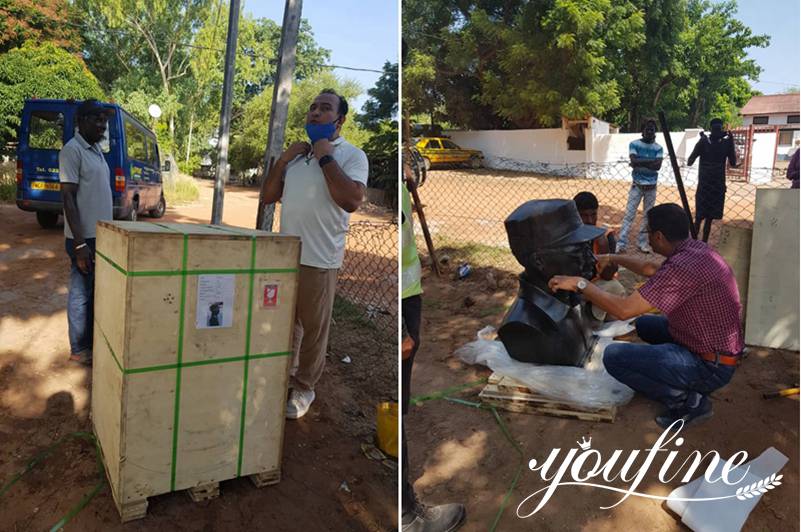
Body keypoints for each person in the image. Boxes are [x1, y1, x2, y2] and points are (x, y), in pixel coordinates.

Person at [548, 203, 742, 429]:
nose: (647, 237)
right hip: (715, 346)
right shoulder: (696, 251)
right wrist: (612, 257)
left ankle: (689, 401)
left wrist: (580, 284)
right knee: (645, 325)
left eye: (648, 232)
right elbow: (650, 268)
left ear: (658, 236)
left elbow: (624, 310)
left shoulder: (682, 268)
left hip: (711, 366)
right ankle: (680, 375)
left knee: (614, 357)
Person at [260, 89, 368, 419]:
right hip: (285, 255)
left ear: (340, 120)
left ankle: (305, 387)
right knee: (283, 323)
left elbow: (351, 200)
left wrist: (325, 157)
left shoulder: (352, 155)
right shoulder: (297, 157)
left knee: (313, 330)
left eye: (325, 109)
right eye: (312, 108)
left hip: (319, 259)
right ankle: (282, 376)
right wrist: (282, 161)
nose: (315, 113)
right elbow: (267, 196)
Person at [400, 137, 465, 531]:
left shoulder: (403, 178)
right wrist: (403, 330)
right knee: (401, 396)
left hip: (410, 294)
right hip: (404, 302)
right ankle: (407, 516)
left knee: (403, 402)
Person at [60, 99, 113, 366]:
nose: (102, 125)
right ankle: (79, 348)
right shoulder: (72, 151)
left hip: (101, 235)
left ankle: (89, 344)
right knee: (81, 294)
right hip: (84, 238)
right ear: (80, 120)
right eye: (96, 119)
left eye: (104, 120)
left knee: (95, 293)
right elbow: (68, 198)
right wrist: (80, 244)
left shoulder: (96, 150)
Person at [573, 192, 626, 321]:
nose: (590, 221)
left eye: (593, 215)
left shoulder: (606, 235)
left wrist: (603, 245)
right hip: (571, 286)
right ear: (574, 215)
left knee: (614, 287)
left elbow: (607, 276)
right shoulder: (567, 234)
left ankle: (596, 321)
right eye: (584, 216)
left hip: (593, 285)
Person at [687, 119, 737, 242]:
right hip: (716, 186)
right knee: (707, 218)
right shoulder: (724, 144)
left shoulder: (704, 142)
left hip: (706, 186)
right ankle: (703, 243)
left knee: (699, 217)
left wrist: (702, 144)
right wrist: (731, 143)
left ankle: (694, 242)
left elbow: (690, 161)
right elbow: (733, 162)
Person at [617, 119, 663, 254]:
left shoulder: (658, 148)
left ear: (655, 132)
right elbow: (634, 160)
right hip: (637, 186)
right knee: (629, 215)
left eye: (652, 129)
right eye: (647, 129)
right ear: (642, 131)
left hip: (651, 187)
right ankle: (621, 243)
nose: (650, 131)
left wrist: (639, 162)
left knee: (647, 216)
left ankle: (642, 243)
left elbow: (658, 166)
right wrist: (649, 161)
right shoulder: (634, 144)